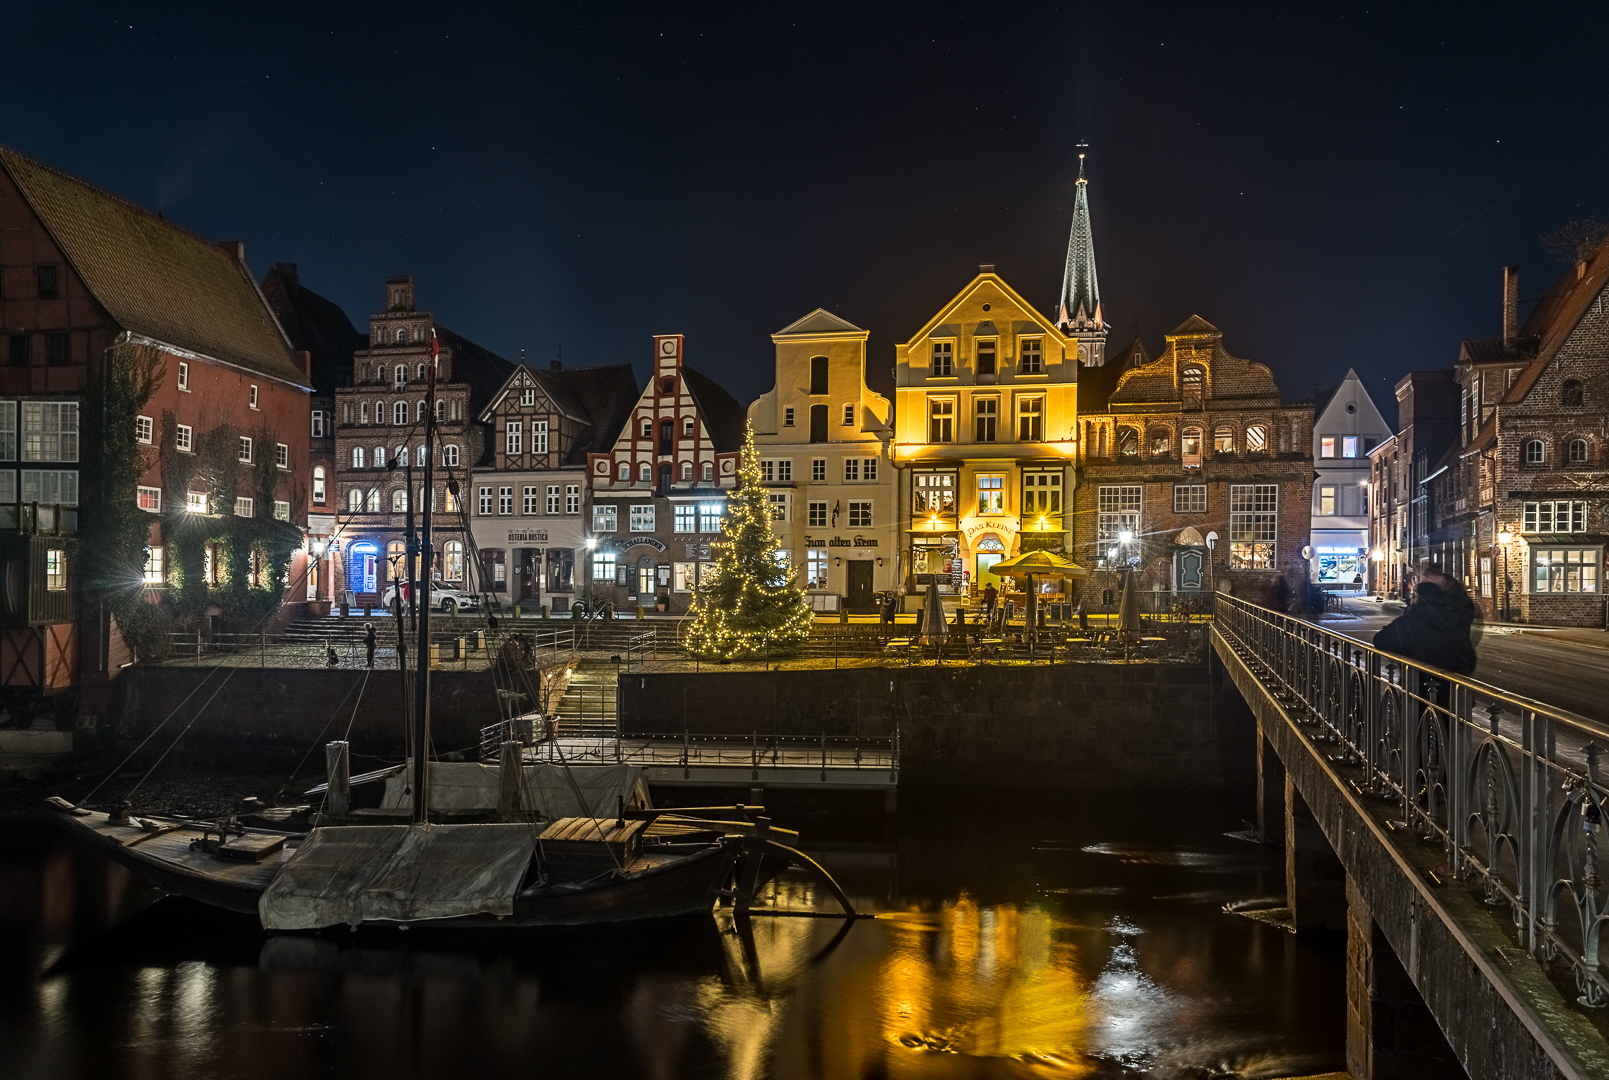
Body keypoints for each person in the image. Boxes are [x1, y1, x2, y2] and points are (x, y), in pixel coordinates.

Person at [1373, 560, 1477, 675]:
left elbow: (1381, 640)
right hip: (1457, 687)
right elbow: (1468, 657)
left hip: (1418, 685)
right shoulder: (1458, 615)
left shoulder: (1410, 623)